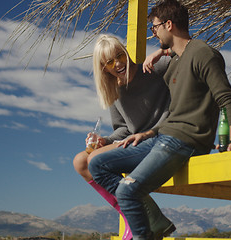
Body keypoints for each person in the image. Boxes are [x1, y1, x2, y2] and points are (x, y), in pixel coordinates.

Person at [88, 1, 231, 240]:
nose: (153, 33)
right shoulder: (176, 63)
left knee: (128, 191)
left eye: (155, 28)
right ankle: (154, 226)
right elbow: (176, 112)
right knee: (96, 164)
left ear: (168, 25)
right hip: (163, 137)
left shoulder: (203, 53)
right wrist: (147, 133)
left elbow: (227, 98)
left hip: (185, 141)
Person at [73, 34, 174, 240]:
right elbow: (123, 129)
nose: (118, 63)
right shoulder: (114, 89)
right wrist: (105, 141)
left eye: (119, 55)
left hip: (160, 138)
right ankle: (132, 217)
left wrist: (163, 51)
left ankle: (147, 219)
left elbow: (185, 54)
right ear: (103, 67)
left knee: (95, 161)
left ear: (125, 52)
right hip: (135, 141)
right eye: (110, 61)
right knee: (81, 161)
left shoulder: (153, 68)